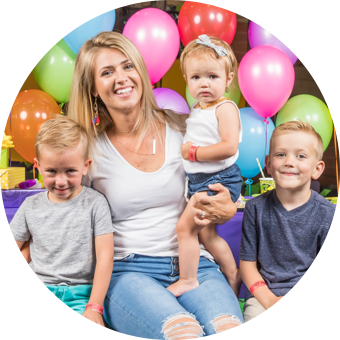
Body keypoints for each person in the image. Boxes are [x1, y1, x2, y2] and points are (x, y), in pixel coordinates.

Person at [66, 31, 244, 337]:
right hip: (129, 272)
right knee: (182, 332)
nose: (121, 78)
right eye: (107, 72)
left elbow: (220, 179)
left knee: (226, 326)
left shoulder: (184, 129)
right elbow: (70, 222)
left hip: (195, 265)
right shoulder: (88, 153)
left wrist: (227, 206)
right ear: (93, 89)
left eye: (128, 66)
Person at [9, 116, 114, 327]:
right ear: (38, 166)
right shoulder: (30, 207)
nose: (61, 181)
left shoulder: (95, 203)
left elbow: (105, 256)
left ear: (85, 166)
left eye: (70, 171)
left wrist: (94, 307)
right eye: (52, 171)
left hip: (82, 295)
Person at [167, 35, 243, 298]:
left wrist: (196, 153)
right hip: (201, 179)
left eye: (212, 76)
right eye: (196, 77)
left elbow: (229, 146)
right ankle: (232, 273)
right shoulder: (199, 108)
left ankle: (188, 280)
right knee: (207, 236)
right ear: (187, 80)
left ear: (228, 78)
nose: (204, 84)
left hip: (219, 179)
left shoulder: (225, 109)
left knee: (184, 229)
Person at [239, 120, 336, 322]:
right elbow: (247, 266)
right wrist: (268, 299)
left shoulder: (327, 214)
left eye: (300, 156)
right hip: (263, 296)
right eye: (281, 154)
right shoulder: (255, 209)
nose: (289, 162)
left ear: (317, 169)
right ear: (268, 164)